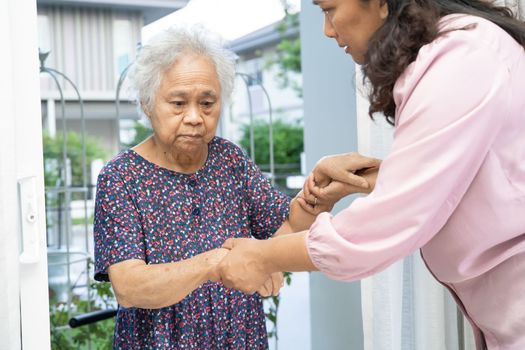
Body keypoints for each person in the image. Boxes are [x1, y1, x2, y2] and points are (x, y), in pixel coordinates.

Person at [217, 1, 525, 349]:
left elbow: (380, 228)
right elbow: (476, 172)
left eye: (329, 9)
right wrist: (377, 176)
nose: (328, 30)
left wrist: (261, 256)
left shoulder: (461, 60)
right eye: (177, 102)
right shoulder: (460, 52)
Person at [92, 25, 361, 349]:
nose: (194, 117)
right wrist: (217, 262)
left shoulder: (229, 159)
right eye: (178, 103)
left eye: (207, 103)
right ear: (148, 104)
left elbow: (286, 228)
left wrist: (320, 192)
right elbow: (129, 286)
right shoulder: (121, 177)